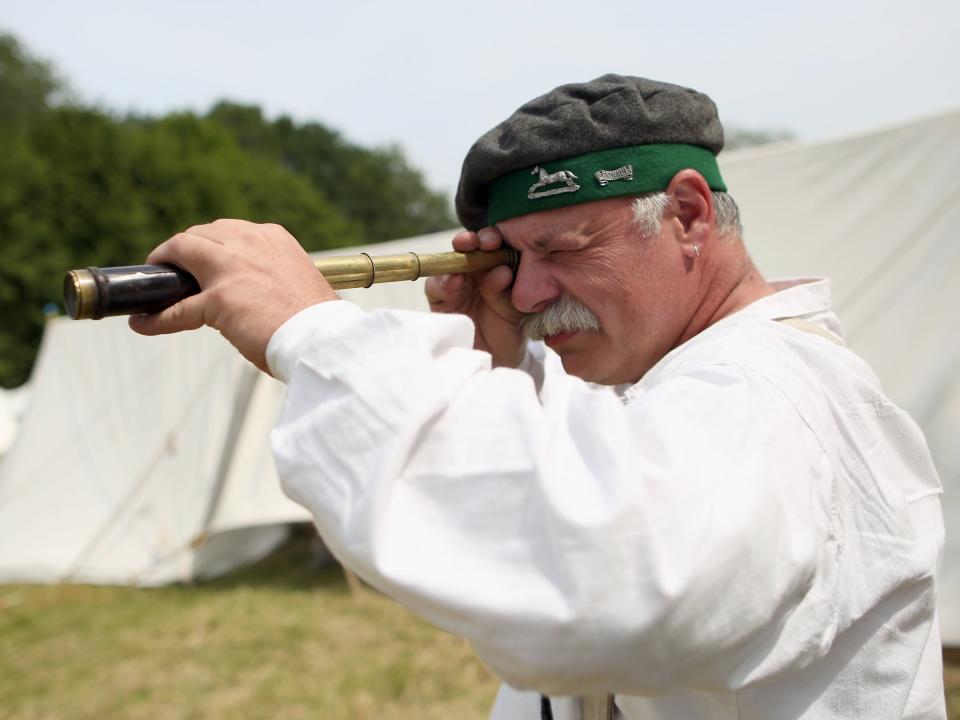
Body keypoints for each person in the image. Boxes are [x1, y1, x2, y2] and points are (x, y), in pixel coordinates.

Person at [129, 75, 945, 719]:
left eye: (560, 249)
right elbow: (531, 526)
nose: (525, 295)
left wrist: (310, 330)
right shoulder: (680, 386)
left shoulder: (768, 393)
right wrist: (499, 370)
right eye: (512, 262)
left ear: (689, 214)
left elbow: (600, 581)